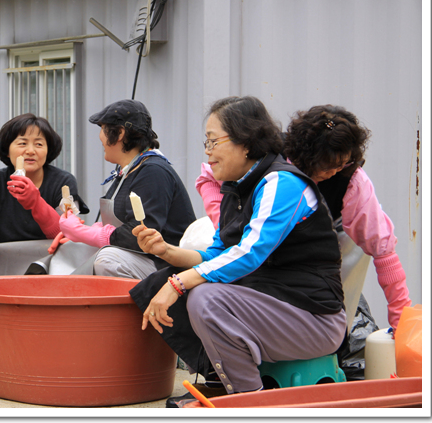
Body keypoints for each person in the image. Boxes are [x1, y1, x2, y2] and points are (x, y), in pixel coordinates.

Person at [129, 96, 346, 405]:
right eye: (206, 141)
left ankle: (248, 401)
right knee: (160, 282)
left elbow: (250, 252)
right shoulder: (236, 188)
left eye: (214, 140)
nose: (207, 151)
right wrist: (165, 251)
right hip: (274, 307)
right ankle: (222, 382)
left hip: (313, 319)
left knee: (205, 297)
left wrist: (178, 284)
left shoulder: (281, 183)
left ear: (246, 141)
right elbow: (218, 254)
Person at [196, 104, 412, 330]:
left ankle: (333, 339)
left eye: (342, 165)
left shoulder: (352, 181)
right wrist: (226, 223)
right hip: (261, 236)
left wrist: (401, 323)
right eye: (327, 165)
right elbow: (207, 178)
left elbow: (384, 250)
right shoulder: (268, 154)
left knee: (343, 269)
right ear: (304, 155)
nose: (334, 172)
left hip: (322, 249)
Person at [58, 99, 196, 279]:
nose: (100, 137)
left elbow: (141, 234)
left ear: (120, 133)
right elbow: (115, 228)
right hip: (137, 258)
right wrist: (76, 236)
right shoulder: (128, 170)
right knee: (71, 248)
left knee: (108, 260)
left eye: (102, 128)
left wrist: (83, 232)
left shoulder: (153, 171)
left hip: (165, 265)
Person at [0, 114, 89, 268]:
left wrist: (35, 202)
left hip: (53, 260)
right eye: (22, 143)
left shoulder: (64, 182)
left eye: (39, 144)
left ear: (48, 150)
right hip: (9, 260)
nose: (30, 151)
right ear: (7, 151)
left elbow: (64, 232)